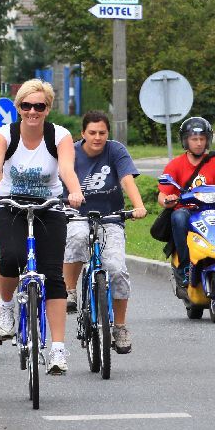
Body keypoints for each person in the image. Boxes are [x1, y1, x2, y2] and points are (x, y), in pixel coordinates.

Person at [0, 79, 84, 376]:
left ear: (48, 108)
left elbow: (65, 169)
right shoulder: (4, 135)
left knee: (53, 275)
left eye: (39, 106)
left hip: (49, 206)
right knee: (11, 256)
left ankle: (58, 350)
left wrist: (74, 192)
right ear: (18, 108)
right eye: (27, 106)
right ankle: (6, 307)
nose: (33, 111)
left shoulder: (59, 135)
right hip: (11, 205)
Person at [62, 111, 146, 354]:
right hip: (77, 215)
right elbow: (60, 181)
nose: (97, 137)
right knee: (76, 237)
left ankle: (119, 326)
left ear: (107, 134)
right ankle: (70, 291)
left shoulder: (116, 150)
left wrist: (138, 206)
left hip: (111, 217)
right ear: (83, 134)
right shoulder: (72, 152)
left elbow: (127, 179)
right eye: (92, 133)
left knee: (117, 268)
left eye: (102, 133)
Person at [157, 117, 215, 286]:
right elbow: (162, 194)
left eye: (202, 139)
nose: (199, 143)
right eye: (194, 139)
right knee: (178, 216)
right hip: (188, 212)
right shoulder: (175, 165)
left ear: (208, 140)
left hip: (212, 211)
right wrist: (168, 201)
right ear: (185, 141)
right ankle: (186, 267)